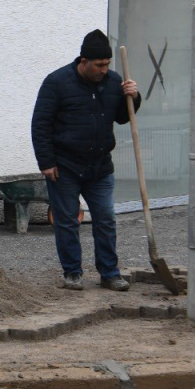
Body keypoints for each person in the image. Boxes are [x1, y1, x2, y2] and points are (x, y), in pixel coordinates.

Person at [30, 29, 140, 292]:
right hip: (65, 166)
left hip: (100, 166)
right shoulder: (56, 83)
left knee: (106, 219)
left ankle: (110, 273)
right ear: (83, 61)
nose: (104, 70)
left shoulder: (114, 82)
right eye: (99, 65)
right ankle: (72, 273)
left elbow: (123, 117)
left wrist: (133, 97)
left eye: (107, 64)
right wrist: (46, 162)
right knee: (68, 221)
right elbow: (40, 124)